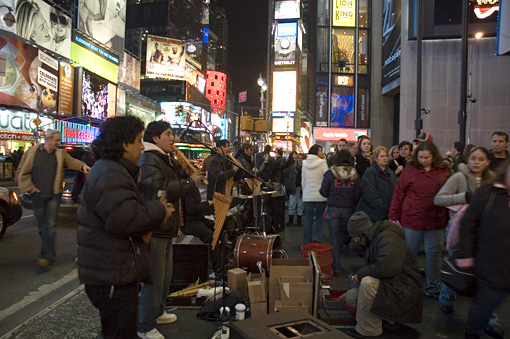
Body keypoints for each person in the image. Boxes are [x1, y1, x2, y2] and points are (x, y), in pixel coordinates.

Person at [76, 116, 173, 339]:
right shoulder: (110, 172)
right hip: (111, 275)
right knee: (120, 331)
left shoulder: (115, 169)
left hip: (114, 271)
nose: (142, 146)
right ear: (124, 144)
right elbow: (125, 220)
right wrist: (160, 211)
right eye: (138, 140)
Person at [137, 121, 204, 339]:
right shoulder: (148, 158)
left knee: (165, 277)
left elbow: (170, 180)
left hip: (166, 226)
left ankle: (157, 312)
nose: (173, 138)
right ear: (155, 138)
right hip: (155, 226)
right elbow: (160, 188)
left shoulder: (163, 158)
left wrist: (184, 172)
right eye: (169, 134)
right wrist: (190, 182)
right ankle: (144, 325)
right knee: (153, 279)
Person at [433, 147, 496, 317]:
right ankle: (446, 298)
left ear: (487, 162)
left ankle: (490, 316)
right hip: (459, 229)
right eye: (473, 158)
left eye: (481, 159)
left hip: (484, 231)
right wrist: (463, 197)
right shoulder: (458, 177)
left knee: (484, 271)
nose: (476, 162)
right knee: (456, 263)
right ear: (468, 159)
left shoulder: (491, 181)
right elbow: (438, 199)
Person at [340, 212, 423, 338]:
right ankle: (389, 320)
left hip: (404, 290)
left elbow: (387, 267)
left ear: (360, 233)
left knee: (367, 283)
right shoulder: (374, 238)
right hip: (394, 285)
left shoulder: (388, 237)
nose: (355, 240)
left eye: (355, 237)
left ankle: (368, 331)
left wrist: (361, 274)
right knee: (351, 296)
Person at [388, 141, 450, 300]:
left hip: (435, 221)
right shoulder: (410, 171)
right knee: (409, 255)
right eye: (421, 157)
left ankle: (432, 287)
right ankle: (405, 284)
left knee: (434, 255)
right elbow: (399, 194)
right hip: (413, 220)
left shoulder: (443, 172)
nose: (424, 160)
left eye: (427, 157)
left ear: (433, 156)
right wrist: (393, 217)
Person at [19, 130, 90, 267]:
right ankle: (47, 252)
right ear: (48, 139)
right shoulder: (33, 152)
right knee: (42, 226)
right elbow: (23, 170)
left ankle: (47, 255)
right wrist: (29, 187)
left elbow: (72, 162)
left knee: (50, 226)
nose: (59, 143)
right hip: (37, 195)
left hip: (53, 195)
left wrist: (82, 166)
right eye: (57, 140)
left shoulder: (60, 154)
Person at [457, 157, 510, 339]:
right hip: (490, 268)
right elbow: (468, 224)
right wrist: (465, 257)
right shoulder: (490, 193)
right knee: (482, 309)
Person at [320, 150, 360, 276]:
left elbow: (323, 191)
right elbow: (357, 194)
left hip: (333, 210)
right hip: (348, 210)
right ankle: (339, 260)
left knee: (334, 238)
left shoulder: (331, 173)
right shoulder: (355, 174)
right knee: (343, 236)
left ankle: (336, 266)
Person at [356, 146, 397, 222]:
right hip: (372, 212)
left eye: (386, 156)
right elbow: (369, 192)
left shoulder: (391, 173)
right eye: (381, 156)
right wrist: (379, 205)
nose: (384, 158)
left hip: (387, 212)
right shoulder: (370, 172)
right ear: (375, 158)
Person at [302, 144, 328, 244]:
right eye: (320, 151)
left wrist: (305, 191)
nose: (322, 153)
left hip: (308, 195)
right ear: (316, 152)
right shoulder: (322, 163)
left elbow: (303, 181)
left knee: (308, 219)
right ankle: (318, 239)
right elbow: (326, 178)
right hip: (320, 196)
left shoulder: (304, 163)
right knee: (320, 219)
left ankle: (306, 240)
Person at [284, 152, 304, 226]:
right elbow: (286, 176)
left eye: (301, 158)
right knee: (292, 204)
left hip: (301, 189)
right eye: (299, 158)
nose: (300, 160)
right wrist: (288, 184)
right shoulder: (292, 167)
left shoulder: (305, 168)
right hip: (293, 188)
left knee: (300, 205)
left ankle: (298, 221)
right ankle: (291, 220)